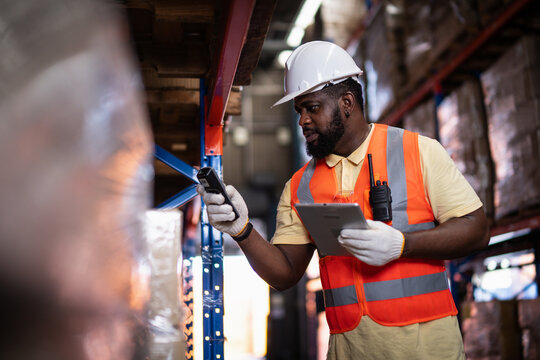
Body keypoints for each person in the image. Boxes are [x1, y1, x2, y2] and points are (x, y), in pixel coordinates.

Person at [197, 41, 489, 359]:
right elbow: (284, 274)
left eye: (312, 107)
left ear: (347, 102)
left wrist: (403, 244)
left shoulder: (418, 152)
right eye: (299, 111)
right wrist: (242, 230)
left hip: (430, 352)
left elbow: (476, 230)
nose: (302, 121)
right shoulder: (299, 186)